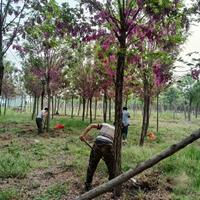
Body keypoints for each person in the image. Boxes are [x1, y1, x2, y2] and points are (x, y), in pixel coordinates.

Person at [80, 123, 115, 191]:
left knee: (92, 165)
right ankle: (111, 186)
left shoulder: (105, 125)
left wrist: (83, 135)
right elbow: (115, 144)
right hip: (108, 145)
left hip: (98, 143)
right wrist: (109, 156)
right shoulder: (117, 131)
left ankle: (88, 185)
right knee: (111, 167)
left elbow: (91, 125)